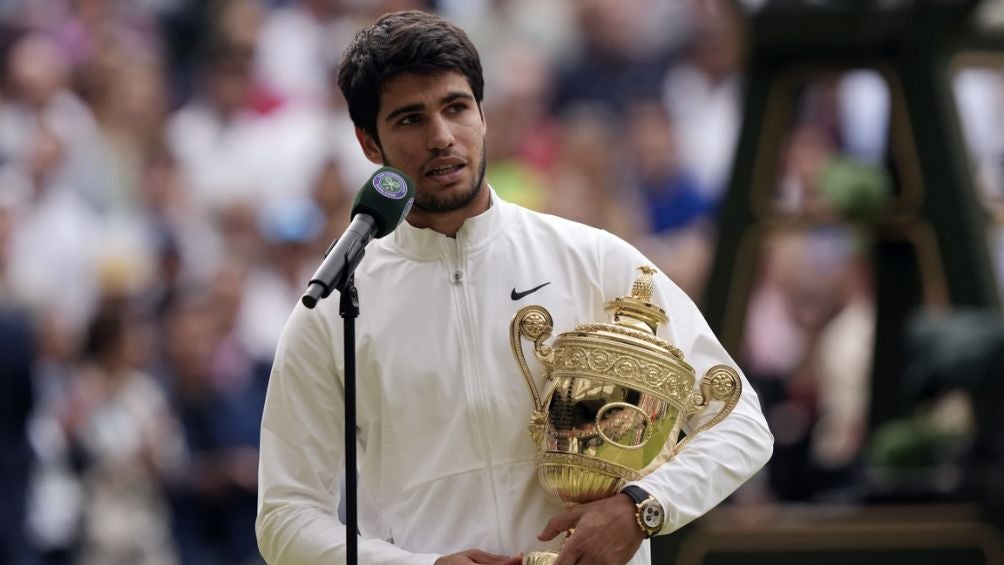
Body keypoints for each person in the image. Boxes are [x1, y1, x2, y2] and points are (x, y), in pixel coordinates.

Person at [255, 10, 773, 565]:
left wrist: (642, 508)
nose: (441, 137)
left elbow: (740, 422)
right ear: (368, 143)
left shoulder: (593, 259)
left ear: (483, 114)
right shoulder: (335, 305)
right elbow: (284, 515)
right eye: (409, 119)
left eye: (455, 107)